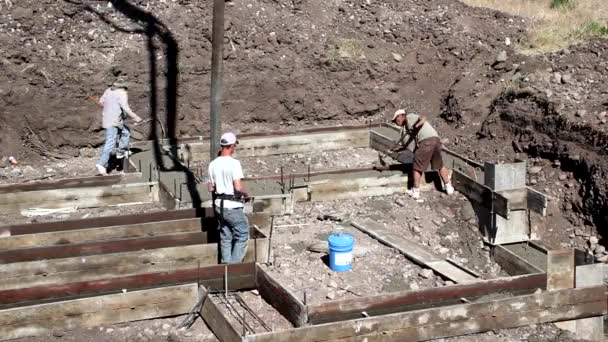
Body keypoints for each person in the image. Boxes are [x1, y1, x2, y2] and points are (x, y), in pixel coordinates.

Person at [391, 109, 454, 199]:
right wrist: (400, 148)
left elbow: (423, 118)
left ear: (401, 116)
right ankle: (449, 188)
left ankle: (415, 192)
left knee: (417, 167)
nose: (396, 122)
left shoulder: (410, 117)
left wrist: (416, 125)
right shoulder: (407, 127)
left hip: (426, 141)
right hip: (436, 140)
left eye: (396, 120)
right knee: (439, 165)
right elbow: (410, 143)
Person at [207, 132, 250, 264]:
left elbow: (210, 188)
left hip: (219, 205)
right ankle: (233, 268)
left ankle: (225, 265)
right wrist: (246, 194)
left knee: (225, 236)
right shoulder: (234, 163)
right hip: (232, 206)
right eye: (234, 146)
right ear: (231, 146)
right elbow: (237, 187)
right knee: (242, 234)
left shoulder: (212, 164)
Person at [95, 81, 142, 175]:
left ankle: (120, 153)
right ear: (124, 87)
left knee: (126, 132)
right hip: (114, 122)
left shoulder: (108, 90)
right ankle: (101, 164)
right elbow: (125, 107)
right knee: (111, 142)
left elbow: (101, 102)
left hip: (108, 119)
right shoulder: (122, 93)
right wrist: (135, 117)